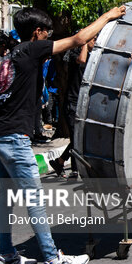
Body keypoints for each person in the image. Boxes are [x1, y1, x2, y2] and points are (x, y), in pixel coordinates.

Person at [0, 5, 125, 264]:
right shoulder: (31, 49)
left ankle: (7, 257)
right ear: (37, 33)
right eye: (47, 33)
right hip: (14, 137)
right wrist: (108, 16)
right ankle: (52, 260)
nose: (49, 37)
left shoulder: (9, 57)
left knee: (6, 200)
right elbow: (77, 40)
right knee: (34, 200)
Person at [48, 37, 96, 178]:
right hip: (72, 102)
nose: (95, 42)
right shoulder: (76, 55)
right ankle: (72, 169)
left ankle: (61, 162)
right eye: (93, 39)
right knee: (76, 138)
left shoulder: (91, 58)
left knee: (80, 138)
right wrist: (85, 45)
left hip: (82, 102)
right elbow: (81, 61)